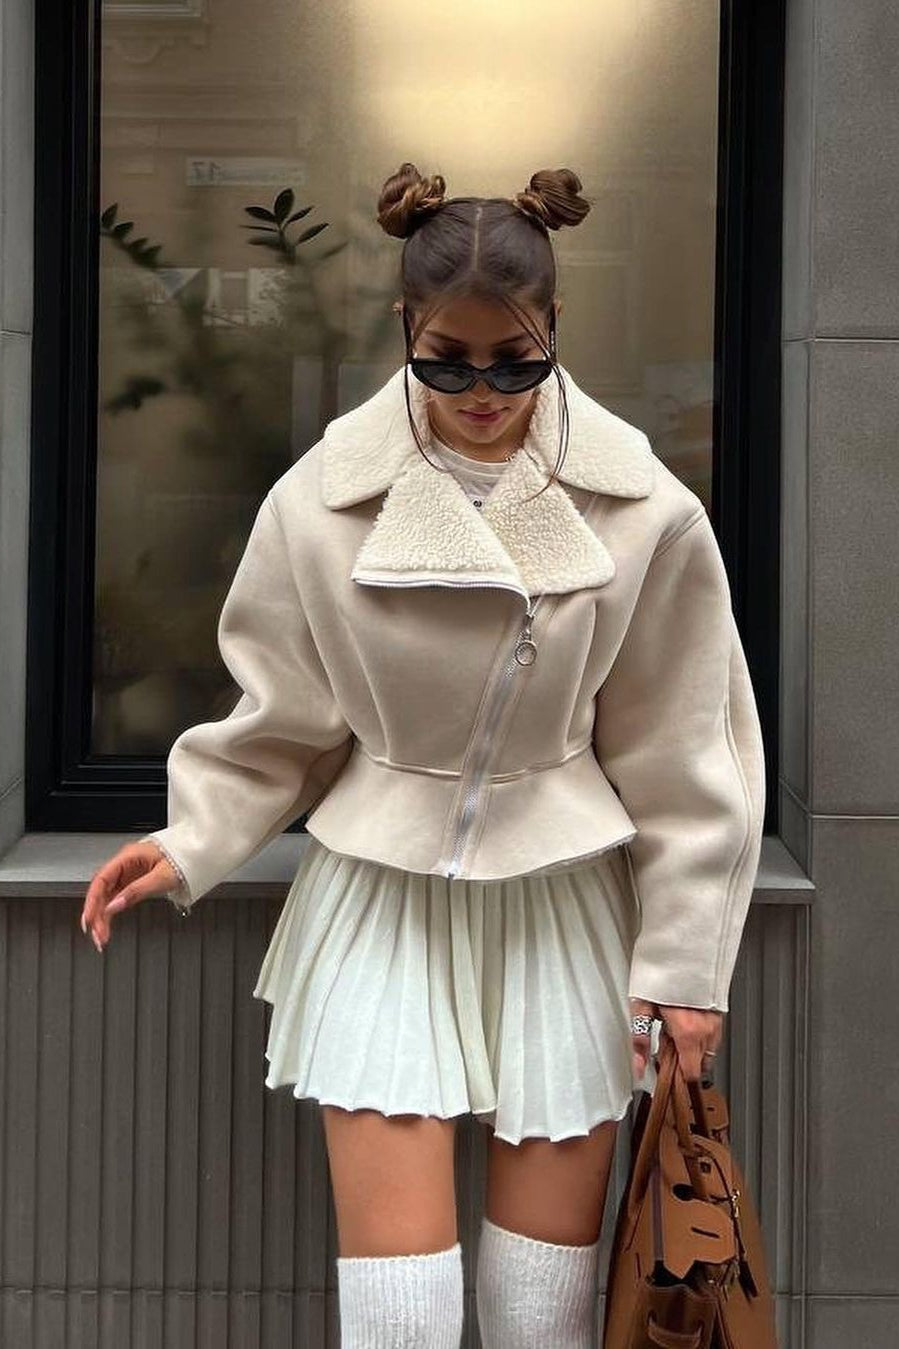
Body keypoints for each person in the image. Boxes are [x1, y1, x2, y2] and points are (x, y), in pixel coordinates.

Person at [80, 163, 766, 1349]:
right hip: (380, 897)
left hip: (560, 899)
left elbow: (682, 748)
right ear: (405, 328)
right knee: (400, 1310)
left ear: (554, 329)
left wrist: (685, 967)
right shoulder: (320, 501)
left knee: (538, 1309)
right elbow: (284, 716)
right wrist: (189, 838)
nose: (481, 390)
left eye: (514, 361)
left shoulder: (639, 507)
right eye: (447, 361)